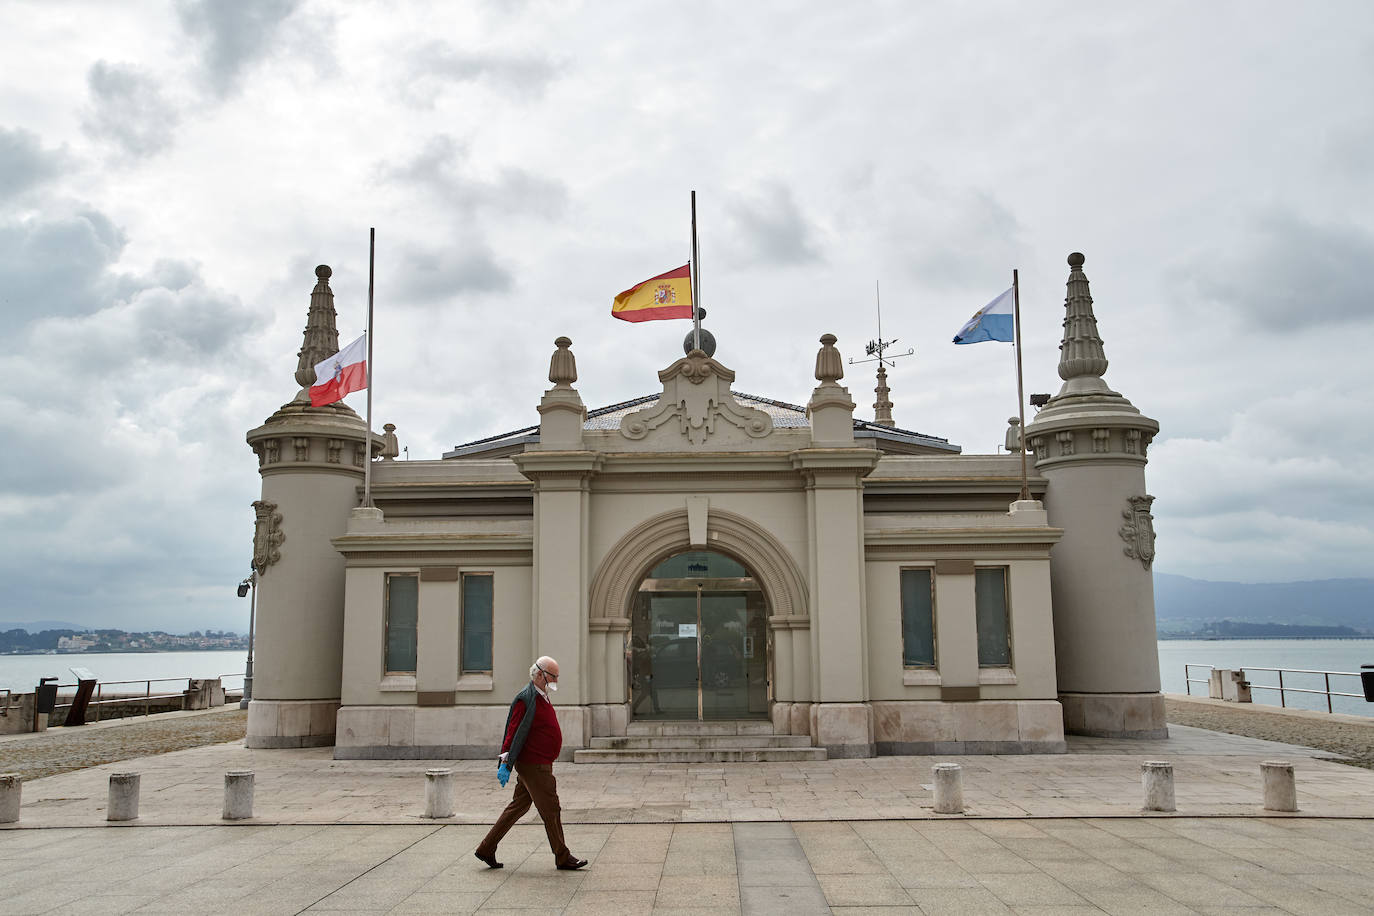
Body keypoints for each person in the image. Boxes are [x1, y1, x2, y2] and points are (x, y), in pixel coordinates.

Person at [474, 656, 587, 871]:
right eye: (553, 676)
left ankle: (486, 848)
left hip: (538, 763)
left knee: (518, 806)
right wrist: (505, 761)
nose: (555, 680)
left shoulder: (541, 696)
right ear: (540, 674)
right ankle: (563, 857)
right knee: (551, 808)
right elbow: (512, 729)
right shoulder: (526, 698)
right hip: (534, 765)